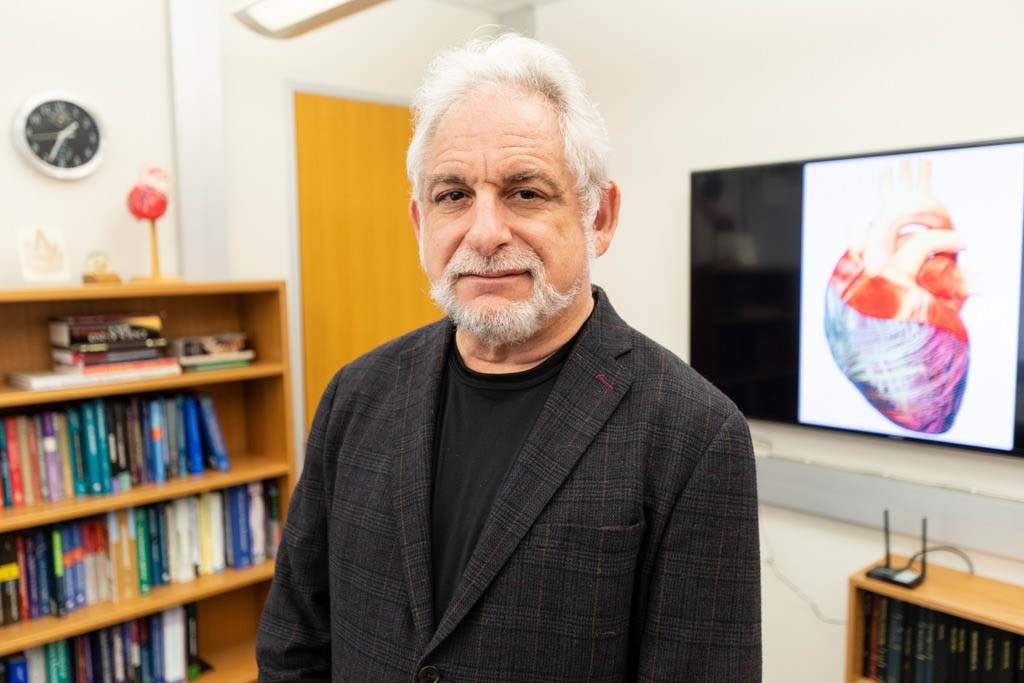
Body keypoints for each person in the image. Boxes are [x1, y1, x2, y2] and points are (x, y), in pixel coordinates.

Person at [256, 34, 761, 682]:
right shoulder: (355, 396)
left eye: (525, 192)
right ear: (420, 223)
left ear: (599, 216)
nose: (486, 232)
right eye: (453, 196)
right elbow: (294, 646)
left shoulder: (694, 434)